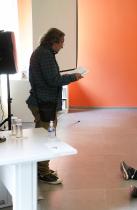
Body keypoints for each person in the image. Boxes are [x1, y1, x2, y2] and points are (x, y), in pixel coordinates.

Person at [26, 28, 83, 184]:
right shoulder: (44, 55)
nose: (62, 46)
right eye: (62, 42)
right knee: (46, 137)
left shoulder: (44, 52)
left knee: (43, 135)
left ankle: (41, 168)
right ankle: (42, 173)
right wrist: (73, 77)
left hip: (44, 102)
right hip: (44, 103)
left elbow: (52, 77)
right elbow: (53, 80)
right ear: (53, 41)